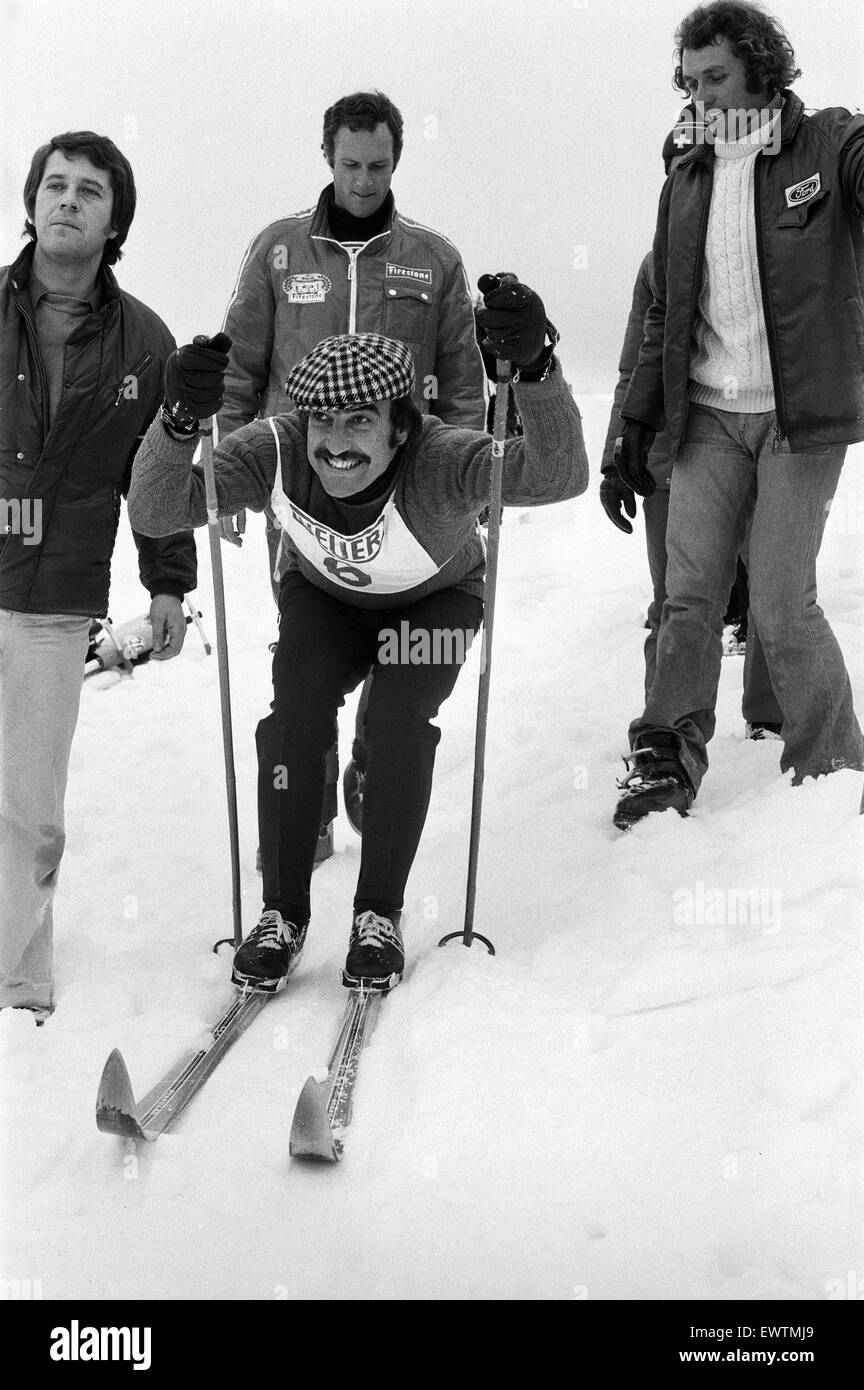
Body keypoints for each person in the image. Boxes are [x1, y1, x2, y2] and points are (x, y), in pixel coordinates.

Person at [128, 276, 586, 992]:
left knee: (401, 722)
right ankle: (281, 914)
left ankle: (378, 915)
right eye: (323, 423)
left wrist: (536, 371)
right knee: (295, 718)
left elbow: (558, 473)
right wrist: (178, 421)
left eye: (359, 423)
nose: (335, 446)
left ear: (401, 426)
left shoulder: (443, 459)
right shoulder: (275, 449)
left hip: (433, 601)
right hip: (326, 599)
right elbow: (158, 509)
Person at [612, 0, 864, 828]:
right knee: (687, 597)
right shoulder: (684, 177)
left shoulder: (825, 143)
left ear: (761, 67)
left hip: (799, 418)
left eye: (714, 77)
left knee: (782, 600)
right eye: (688, 82)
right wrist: (635, 426)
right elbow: (664, 313)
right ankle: (665, 760)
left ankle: (832, 769)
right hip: (710, 415)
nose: (700, 96)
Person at [216, 91, 487, 858]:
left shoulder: (434, 261)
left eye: (377, 165)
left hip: (405, 491)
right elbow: (240, 366)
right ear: (327, 158)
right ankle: (308, 809)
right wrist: (230, 470)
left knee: (394, 645)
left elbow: (462, 379)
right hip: (299, 484)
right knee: (310, 649)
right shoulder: (278, 251)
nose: (364, 180)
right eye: (349, 164)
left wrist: (466, 477)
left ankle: (373, 754)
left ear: (396, 160)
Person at [0, 131, 196, 1019]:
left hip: (53, 601)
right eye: (55, 184)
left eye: (90, 191)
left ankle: (14, 979)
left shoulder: (145, 345)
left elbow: (156, 479)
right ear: (32, 200)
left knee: (29, 804)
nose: (68, 200)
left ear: (115, 220)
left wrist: (168, 586)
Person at [600, 115, 783, 733]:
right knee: (676, 599)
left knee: (772, 592)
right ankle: (665, 729)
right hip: (663, 463)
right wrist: (614, 456)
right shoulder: (656, 267)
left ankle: (772, 717)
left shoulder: (757, 247)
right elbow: (633, 364)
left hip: (750, 439)